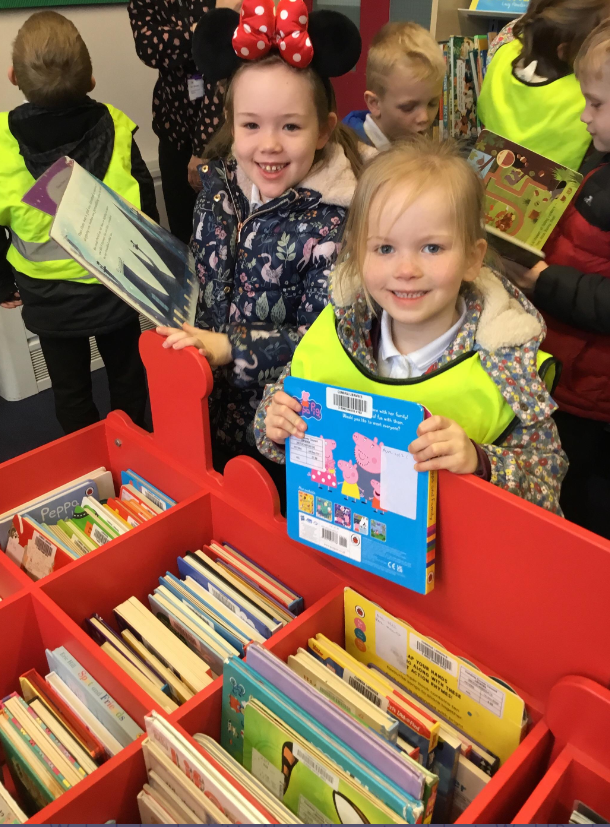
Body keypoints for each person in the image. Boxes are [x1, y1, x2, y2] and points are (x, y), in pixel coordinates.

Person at [255, 139, 567, 514]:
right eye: (385, 249)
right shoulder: (337, 332)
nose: (406, 271)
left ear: (472, 258)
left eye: (432, 248)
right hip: (342, 548)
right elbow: (273, 422)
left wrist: (480, 462)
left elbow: (547, 488)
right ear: (358, 253)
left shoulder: (507, 371)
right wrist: (275, 423)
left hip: (459, 564)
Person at [155, 0, 368, 500]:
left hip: (282, 431)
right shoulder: (217, 189)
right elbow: (202, 277)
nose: (268, 144)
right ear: (233, 124)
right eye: (251, 125)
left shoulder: (338, 221)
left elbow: (331, 342)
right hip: (206, 403)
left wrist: (233, 348)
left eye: (290, 126)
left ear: (323, 130)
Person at [0, 11, 157, 434]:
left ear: (14, 76)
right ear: (90, 80)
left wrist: (1, 281)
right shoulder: (119, 128)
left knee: (69, 393)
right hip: (115, 290)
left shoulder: (2, 142)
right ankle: (133, 453)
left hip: (49, 301)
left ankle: (85, 465)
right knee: (126, 379)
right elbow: (148, 214)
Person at [502, 21, 610, 537]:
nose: (585, 116)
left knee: (584, 520)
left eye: (597, 105)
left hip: (594, 398)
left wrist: (546, 281)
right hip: (566, 371)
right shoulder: (600, 157)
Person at [128, 0, 239, 243]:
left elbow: (222, 62)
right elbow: (148, 48)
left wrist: (204, 148)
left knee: (221, 235)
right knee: (180, 233)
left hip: (220, 132)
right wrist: (200, 32)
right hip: (172, 128)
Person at [477, 0, 610, 170]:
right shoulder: (586, 91)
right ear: (565, 51)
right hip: (555, 192)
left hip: (488, 175)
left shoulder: (503, 51)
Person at [343, 22, 445, 149]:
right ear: (374, 103)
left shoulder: (413, 142)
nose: (424, 118)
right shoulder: (349, 156)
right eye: (408, 107)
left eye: (433, 104)